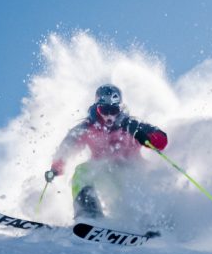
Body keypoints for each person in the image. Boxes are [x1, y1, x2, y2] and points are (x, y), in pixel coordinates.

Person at [44, 84, 168, 219]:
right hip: (103, 171)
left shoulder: (131, 125)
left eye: (113, 110)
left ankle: (151, 221)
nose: (109, 115)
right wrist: (56, 168)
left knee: (136, 188)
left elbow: (162, 141)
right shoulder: (87, 128)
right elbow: (67, 147)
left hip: (132, 173)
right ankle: (89, 215)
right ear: (97, 107)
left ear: (119, 109)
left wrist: (144, 136)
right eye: (104, 109)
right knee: (82, 172)